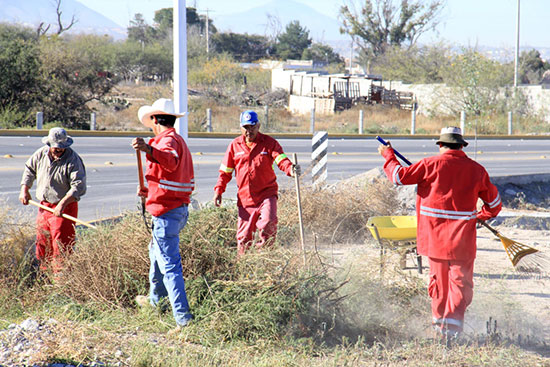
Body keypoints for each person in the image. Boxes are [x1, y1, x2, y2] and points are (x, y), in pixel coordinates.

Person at [378, 126, 502, 340]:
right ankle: (454, 331)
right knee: (461, 286)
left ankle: (440, 332)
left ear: (441, 145)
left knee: (439, 286)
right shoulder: (477, 170)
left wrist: (388, 154)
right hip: (462, 242)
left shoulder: (428, 165)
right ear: (462, 146)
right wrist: (480, 217)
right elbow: (494, 204)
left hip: (434, 241)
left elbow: (398, 177)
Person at [132, 98, 195, 328]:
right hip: (176, 211)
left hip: (167, 214)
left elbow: (169, 161)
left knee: (170, 267)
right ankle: (156, 302)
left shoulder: (166, 141)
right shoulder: (178, 140)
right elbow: (171, 178)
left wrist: (149, 149)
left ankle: (183, 319)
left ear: (156, 119)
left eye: (151, 121)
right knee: (156, 259)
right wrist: (148, 191)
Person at [213, 110, 299, 256]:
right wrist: (219, 190)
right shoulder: (234, 146)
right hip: (245, 199)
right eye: (246, 127)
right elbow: (225, 172)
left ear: (258, 126)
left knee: (268, 223)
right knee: (244, 237)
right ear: (241, 128)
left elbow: (281, 159)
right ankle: (244, 266)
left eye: (252, 126)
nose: (249, 131)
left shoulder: (269, 143)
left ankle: (265, 258)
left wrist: (291, 169)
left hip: (267, 195)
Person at [19, 127, 87, 273]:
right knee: (42, 243)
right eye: (55, 147)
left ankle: (60, 281)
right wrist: (24, 189)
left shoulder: (73, 160)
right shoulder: (41, 153)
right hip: (44, 207)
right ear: (49, 144)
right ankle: (44, 275)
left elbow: (78, 186)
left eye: (61, 148)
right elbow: (29, 169)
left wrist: (62, 203)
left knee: (61, 246)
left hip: (64, 208)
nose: (58, 150)